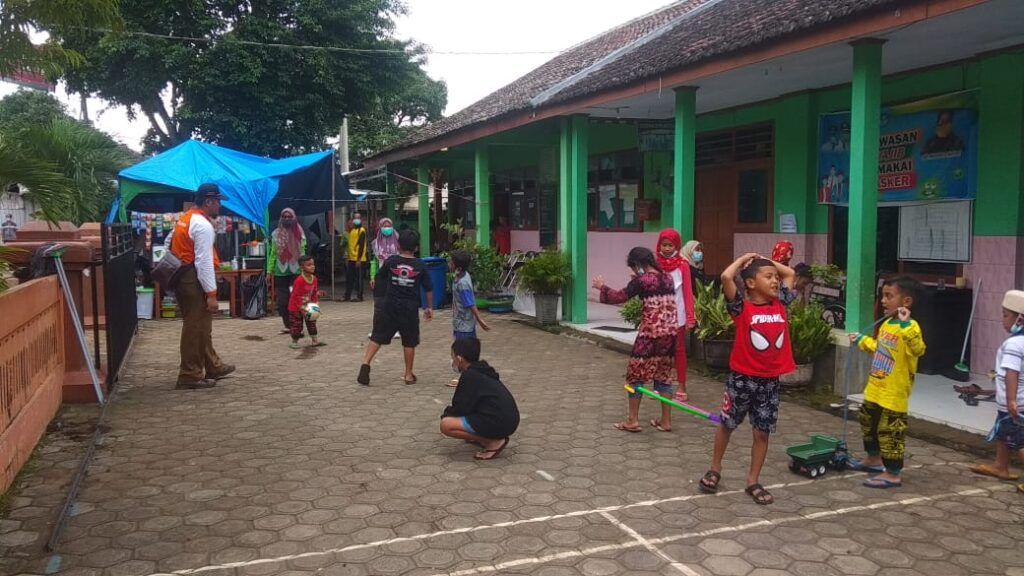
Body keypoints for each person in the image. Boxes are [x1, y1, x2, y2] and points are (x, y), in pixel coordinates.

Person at [698, 253, 796, 505]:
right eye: (768, 277)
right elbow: (726, 277)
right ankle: (715, 468)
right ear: (751, 283)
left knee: (761, 433)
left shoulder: (781, 303)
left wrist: (765, 261)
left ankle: (753, 480)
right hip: (741, 379)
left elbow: (790, 274)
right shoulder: (742, 307)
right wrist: (746, 259)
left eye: (775, 278)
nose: (776, 281)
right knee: (727, 424)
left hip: (769, 382)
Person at [847, 276, 926, 489]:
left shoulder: (911, 327)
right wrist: (862, 340)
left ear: (906, 302)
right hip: (875, 387)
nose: (883, 301)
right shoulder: (887, 325)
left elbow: (919, 349)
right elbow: (880, 348)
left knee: (890, 431)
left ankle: (893, 473)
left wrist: (906, 325)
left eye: (889, 296)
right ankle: (874, 459)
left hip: (894, 391)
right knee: (868, 422)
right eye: (883, 295)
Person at [592, 247, 678, 433]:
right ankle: (665, 421)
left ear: (638, 264)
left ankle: (632, 420)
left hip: (649, 335)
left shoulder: (642, 280)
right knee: (663, 375)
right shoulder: (668, 278)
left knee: (635, 376)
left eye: (634, 266)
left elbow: (617, 297)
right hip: (669, 335)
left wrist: (601, 287)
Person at [169, 183, 235, 389]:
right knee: (195, 327)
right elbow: (203, 262)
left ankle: (212, 365)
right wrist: (212, 294)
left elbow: (168, 241)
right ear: (208, 201)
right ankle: (189, 374)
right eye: (217, 202)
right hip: (192, 278)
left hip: (182, 275)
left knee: (200, 326)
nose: (219, 207)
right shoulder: (203, 225)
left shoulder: (186, 218)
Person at [358, 230, 433, 386]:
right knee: (409, 341)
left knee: (377, 336)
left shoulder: (391, 261)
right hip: (410, 308)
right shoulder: (420, 265)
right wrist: (429, 308)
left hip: (389, 305)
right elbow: (428, 289)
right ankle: (408, 375)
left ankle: (365, 363)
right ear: (416, 247)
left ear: (398, 245)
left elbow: (381, 277)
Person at [969, 290, 1024, 491]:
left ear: (1020, 319)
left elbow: (1012, 373)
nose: (1003, 320)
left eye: (1005, 315)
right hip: (1016, 402)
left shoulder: (1014, 344)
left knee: (1020, 441)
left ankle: (1002, 466)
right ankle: (1000, 466)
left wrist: (1011, 400)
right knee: (1003, 433)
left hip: (1015, 402)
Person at [440, 337, 519, 460]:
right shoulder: (483, 369)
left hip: (500, 422)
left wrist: (446, 414)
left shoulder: (469, 376)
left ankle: (493, 441)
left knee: (446, 425)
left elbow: (460, 407)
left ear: (459, 359)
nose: (452, 361)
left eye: (453, 357)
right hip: (508, 419)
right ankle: (484, 436)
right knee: (458, 419)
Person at [655, 229, 696, 408]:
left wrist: (690, 317)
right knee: (661, 350)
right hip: (659, 314)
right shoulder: (655, 264)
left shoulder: (683, 265)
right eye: (664, 245)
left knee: (679, 350)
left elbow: (687, 291)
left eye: (670, 245)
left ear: (677, 246)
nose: (666, 248)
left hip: (677, 315)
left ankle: (681, 385)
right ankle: (661, 383)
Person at [449, 249, 491, 386]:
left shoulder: (463, 283)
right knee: (462, 349)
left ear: (458, 266)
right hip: (460, 321)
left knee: (461, 352)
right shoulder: (461, 276)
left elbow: (470, 304)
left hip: (464, 324)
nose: (450, 264)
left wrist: (480, 320)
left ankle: (464, 378)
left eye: (452, 262)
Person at [267, 208, 306, 334]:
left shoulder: (299, 233)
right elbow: (273, 253)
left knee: (296, 300)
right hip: (280, 271)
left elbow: (303, 251)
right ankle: (288, 326)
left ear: (294, 218)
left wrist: (304, 269)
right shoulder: (275, 234)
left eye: (290, 217)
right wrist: (269, 271)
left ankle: (297, 326)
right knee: (283, 302)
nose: (287, 219)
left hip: (296, 271)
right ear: (281, 218)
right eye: (284, 216)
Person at [288, 255, 325, 349]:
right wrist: (301, 307)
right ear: (302, 267)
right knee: (297, 325)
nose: (312, 266)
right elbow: (296, 296)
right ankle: (294, 341)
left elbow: (314, 293)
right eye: (309, 265)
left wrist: (316, 304)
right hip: (295, 307)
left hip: (308, 305)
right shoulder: (299, 280)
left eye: (313, 264)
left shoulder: (314, 279)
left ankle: (315, 341)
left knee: (312, 322)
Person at [344, 212, 369, 301]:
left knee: (359, 278)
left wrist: (358, 259)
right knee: (349, 277)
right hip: (351, 258)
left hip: (360, 259)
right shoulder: (352, 231)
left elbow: (362, 246)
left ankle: (359, 296)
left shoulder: (361, 230)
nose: (357, 219)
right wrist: (347, 257)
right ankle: (347, 295)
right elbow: (349, 245)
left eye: (358, 218)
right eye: (355, 218)